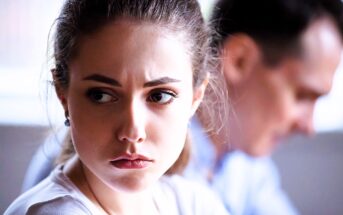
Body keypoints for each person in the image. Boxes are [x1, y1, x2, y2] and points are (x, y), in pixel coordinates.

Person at [5, 0, 229, 214]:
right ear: (62, 94)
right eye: (101, 95)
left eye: (159, 96)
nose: (132, 132)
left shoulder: (193, 203)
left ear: (195, 98)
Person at [184, 0, 343, 214]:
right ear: (239, 60)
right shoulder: (150, 162)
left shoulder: (248, 168)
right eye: (302, 96)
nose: (308, 127)